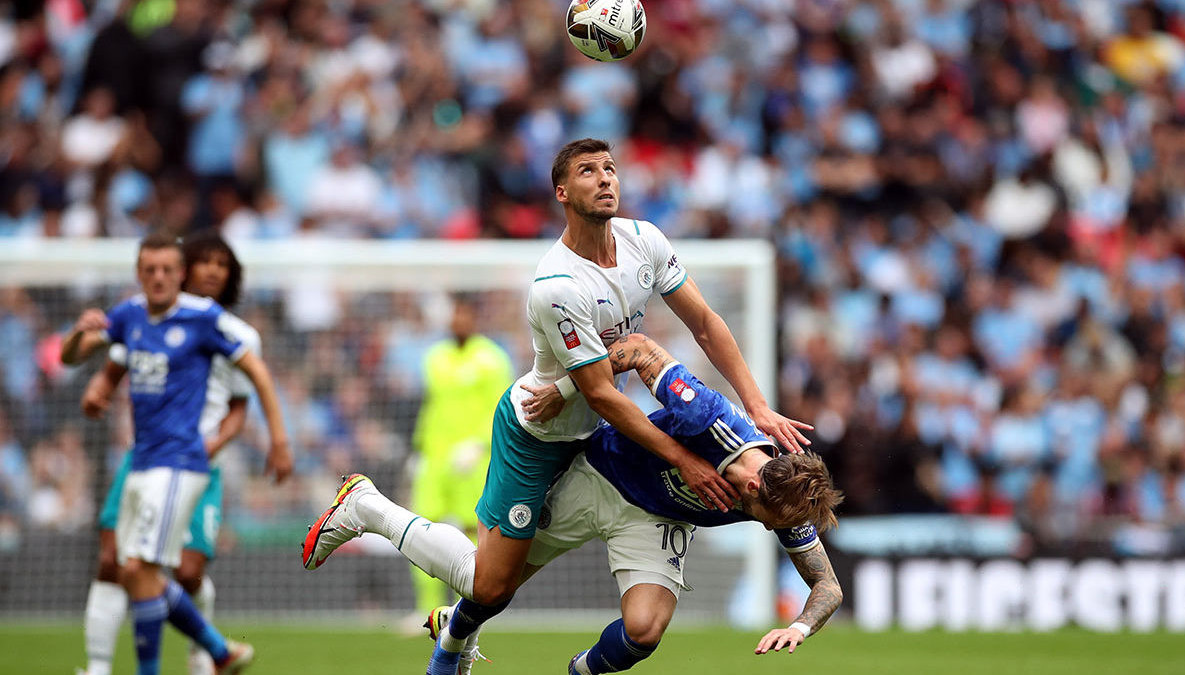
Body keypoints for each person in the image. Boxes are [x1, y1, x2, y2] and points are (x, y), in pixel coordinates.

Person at [407, 137, 811, 675]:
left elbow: (703, 326)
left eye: (611, 169)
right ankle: (369, 511)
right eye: (587, 171)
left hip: (598, 431)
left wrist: (758, 406)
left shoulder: (645, 241)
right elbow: (603, 387)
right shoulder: (557, 284)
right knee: (491, 583)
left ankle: (476, 634)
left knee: (627, 624)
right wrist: (683, 460)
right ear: (561, 191)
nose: (605, 179)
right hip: (542, 431)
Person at [302, 333, 841, 674]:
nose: (780, 532)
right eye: (773, 523)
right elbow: (639, 348)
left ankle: (575, 672)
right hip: (598, 477)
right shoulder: (710, 419)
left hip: (659, 519)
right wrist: (566, 388)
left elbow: (827, 586)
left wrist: (798, 626)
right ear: (753, 489)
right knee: (485, 583)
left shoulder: (783, 499)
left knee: (645, 631)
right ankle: (367, 506)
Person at [61, 232, 293, 675]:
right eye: (152, 270)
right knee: (123, 565)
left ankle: (207, 653)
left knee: (174, 571)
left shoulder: (217, 325)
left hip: (188, 460)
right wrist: (94, 374)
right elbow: (102, 359)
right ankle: (110, 665)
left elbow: (246, 395)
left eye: (219, 264)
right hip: (141, 457)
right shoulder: (133, 315)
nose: (209, 270)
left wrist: (273, 441)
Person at [409, 294, 513, 620]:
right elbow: (431, 406)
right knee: (420, 529)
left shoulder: (492, 359)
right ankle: (426, 611)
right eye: (454, 314)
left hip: (473, 459)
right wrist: (419, 449)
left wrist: (478, 445)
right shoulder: (435, 357)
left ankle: (464, 613)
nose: (458, 321)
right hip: (435, 458)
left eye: (464, 315)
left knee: (472, 532)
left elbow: (501, 408)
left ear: (475, 319)